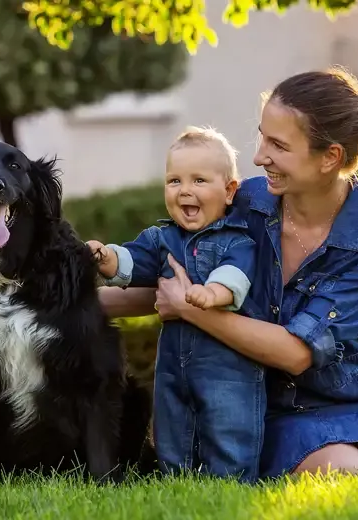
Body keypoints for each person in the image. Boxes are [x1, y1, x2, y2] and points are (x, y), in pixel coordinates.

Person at [95, 68, 358, 480]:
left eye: (278, 145)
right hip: (268, 401)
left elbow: (297, 352)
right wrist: (55, 302)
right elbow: (171, 282)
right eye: (262, 137)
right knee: (345, 471)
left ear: (329, 157)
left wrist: (193, 312)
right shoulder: (242, 202)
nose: (259, 157)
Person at [86, 126, 265, 482]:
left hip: (229, 369)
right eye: (174, 181)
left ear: (229, 191)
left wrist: (212, 293)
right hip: (173, 365)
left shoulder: (236, 240)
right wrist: (106, 257)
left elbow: (236, 276)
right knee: (172, 423)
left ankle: (231, 480)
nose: (185, 190)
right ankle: (176, 478)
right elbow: (133, 262)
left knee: (229, 424)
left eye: (199, 181)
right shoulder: (162, 238)